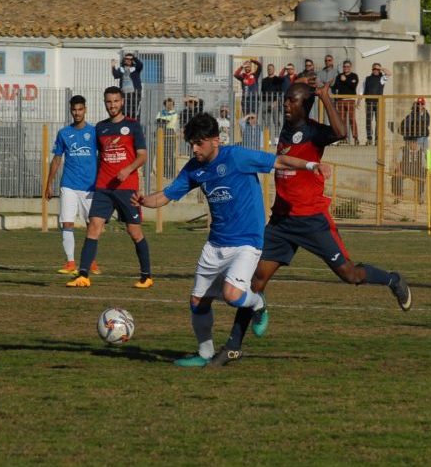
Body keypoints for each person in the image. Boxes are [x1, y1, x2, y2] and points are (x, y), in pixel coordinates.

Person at [210, 82, 412, 366]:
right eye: (285, 100)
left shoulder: (315, 132)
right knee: (255, 281)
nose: (286, 105)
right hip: (281, 221)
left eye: (292, 101)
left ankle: (392, 279)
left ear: (305, 105)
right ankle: (233, 346)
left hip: (312, 220)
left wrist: (326, 98)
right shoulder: (285, 127)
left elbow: (341, 132)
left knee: (349, 274)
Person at [131, 112, 331, 367]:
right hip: (215, 244)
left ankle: (257, 303)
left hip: (247, 242)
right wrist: (145, 200)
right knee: (197, 303)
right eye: (191, 143)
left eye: (198, 143)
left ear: (215, 140)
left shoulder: (237, 157)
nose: (194, 149)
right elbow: (166, 196)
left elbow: (279, 161)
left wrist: (313, 166)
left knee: (233, 295)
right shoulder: (195, 168)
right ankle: (204, 355)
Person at [67, 86, 152, 289]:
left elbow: (142, 155)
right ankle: (83, 275)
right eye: (108, 102)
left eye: (115, 101)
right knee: (94, 227)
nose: (112, 105)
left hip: (127, 188)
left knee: (134, 231)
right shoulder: (100, 128)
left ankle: (146, 276)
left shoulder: (133, 126)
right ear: (105, 103)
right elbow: (98, 156)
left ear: (122, 102)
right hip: (103, 187)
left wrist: (127, 170)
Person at [46, 95, 101, 276]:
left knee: (92, 224)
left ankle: (90, 261)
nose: (77, 113)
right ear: (71, 111)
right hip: (69, 184)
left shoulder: (94, 132)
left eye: (80, 109)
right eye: (74, 110)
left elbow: (103, 156)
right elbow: (56, 159)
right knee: (67, 222)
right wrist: (49, 184)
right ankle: (70, 262)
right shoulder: (64, 133)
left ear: (85, 109)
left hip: (90, 186)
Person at [362, 63, 391, 146]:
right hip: (369, 102)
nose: (376, 70)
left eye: (377, 69)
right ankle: (369, 138)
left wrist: (381, 68)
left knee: (378, 121)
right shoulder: (367, 78)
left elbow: (389, 73)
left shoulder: (382, 78)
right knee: (368, 121)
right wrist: (359, 100)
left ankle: (377, 139)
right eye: (374, 69)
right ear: (372, 69)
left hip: (378, 102)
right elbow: (362, 89)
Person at [332, 60, 359, 145]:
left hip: (350, 100)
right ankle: (343, 138)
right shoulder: (339, 76)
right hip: (340, 100)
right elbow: (334, 87)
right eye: (344, 66)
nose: (346, 68)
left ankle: (355, 137)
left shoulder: (354, 76)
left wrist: (345, 79)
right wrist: (333, 91)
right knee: (342, 120)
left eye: (347, 66)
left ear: (350, 67)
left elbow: (353, 86)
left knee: (352, 119)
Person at [111, 53, 143, 119]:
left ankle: (135, 124)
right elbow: (116, 75)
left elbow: (140, 65)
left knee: (135, 111)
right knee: (124, 111)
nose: (128, 60)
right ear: (124, 60)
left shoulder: (135, 69)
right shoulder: (121, 69)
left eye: (130, 59)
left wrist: (134, 58)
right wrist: (113, 66)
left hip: (135, 93)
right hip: (124, 94)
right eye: (126, 59)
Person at [155, 98, 178, 178]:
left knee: (171, 154)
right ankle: (164, 172)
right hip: (161, 133)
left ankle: (171, 173)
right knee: (163, 154)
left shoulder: (174, 113)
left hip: (170, 132)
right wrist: (163, 120)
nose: (170, 105)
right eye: (168, 103)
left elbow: (169, 122)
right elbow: (157, 121)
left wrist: (162, 120)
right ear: (165, 104)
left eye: (171, 104)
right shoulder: (161, 112)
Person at [260, 64, 284, 134]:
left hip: (274, 103)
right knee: (266, 121)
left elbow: (280, 92)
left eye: (271, 68)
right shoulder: (264, 80)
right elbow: (262, 92)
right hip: (265, 103)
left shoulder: (277, 79)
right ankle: (268, 139)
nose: (269, 70)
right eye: (268, 69)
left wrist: (276, 102)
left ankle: (277, 138)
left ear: (274, 70)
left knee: (276, 121)